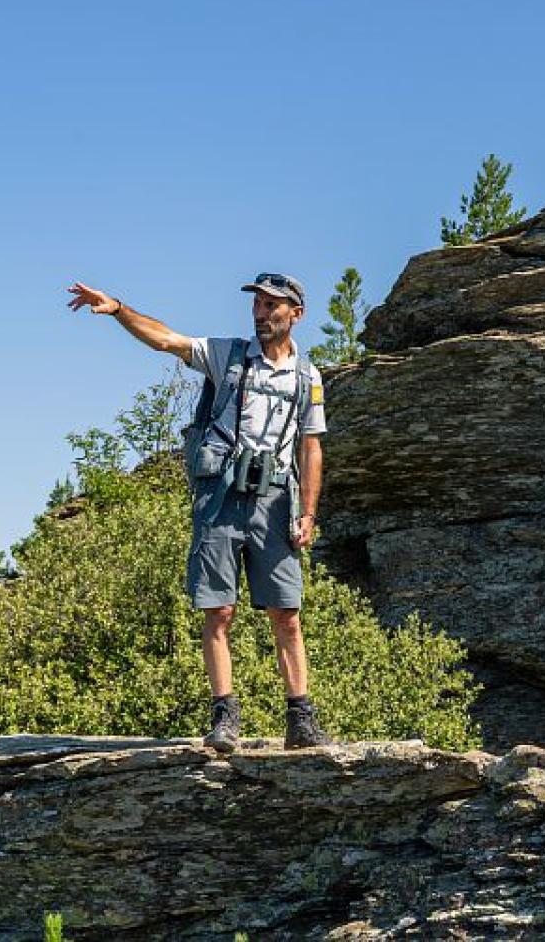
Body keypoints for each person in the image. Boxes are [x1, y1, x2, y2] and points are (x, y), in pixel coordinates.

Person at [66, 273, 332, 752]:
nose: (262, 313)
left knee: (287, 614)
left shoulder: (308, 377)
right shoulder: (227, 356)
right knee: (219, 610)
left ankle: (302, 720)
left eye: (273, 306)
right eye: (258, 305)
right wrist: (118, 308)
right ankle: (225, 717)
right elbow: (167, 340)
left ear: (296, 314)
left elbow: (311, 448)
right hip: (221, 495)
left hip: (275, 501)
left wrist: (308, 513)